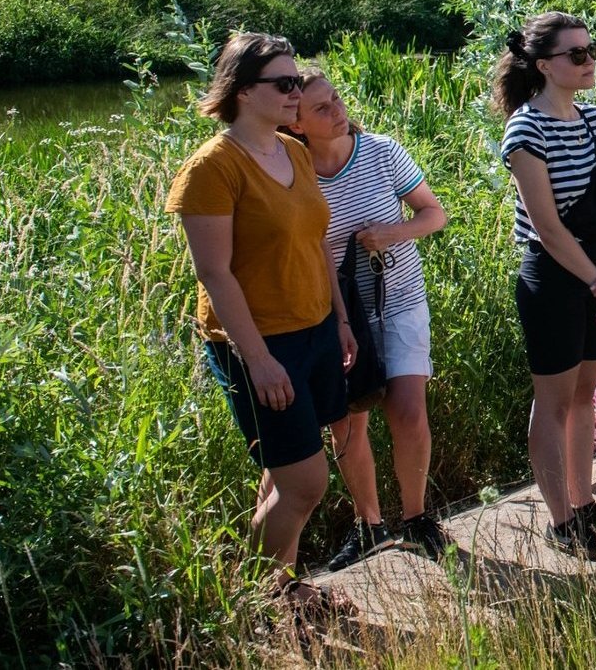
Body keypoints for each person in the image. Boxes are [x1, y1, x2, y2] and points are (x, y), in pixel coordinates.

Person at [165, 32, 359, 618]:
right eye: (285, 83)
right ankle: (256, 598)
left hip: (316, 328)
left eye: (298, 81)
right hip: (258, 343)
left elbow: (317, 241)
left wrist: (340, 318)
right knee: (306, 483)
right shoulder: (212, 169)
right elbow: (215, 274)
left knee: (283, 474)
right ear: (243, 91)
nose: (297, 92)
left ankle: (282, 588)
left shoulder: (292, 151)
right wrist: (259, 359)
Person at [286, 68, 451, 570]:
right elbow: (312, 255)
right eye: (321, 108)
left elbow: (433, 213)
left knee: (407, 411)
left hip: (399, 298)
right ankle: (370, 525)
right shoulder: (293, 172)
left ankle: (417, 518)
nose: (338, 111)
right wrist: (338, 321)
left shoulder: (379, 150)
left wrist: (391, 233)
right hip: (337, 313)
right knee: (349, 422)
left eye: (335, 99)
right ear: (296, 126)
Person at [496, 12, 596, 559]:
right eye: (576, 54)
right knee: (552, 403)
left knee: (586, 394)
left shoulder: (593, 121)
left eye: (592, 50)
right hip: (557, 280)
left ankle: (585, 505)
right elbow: (548, 228)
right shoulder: (525, 130)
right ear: (543, 65)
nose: (589, 61)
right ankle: (561, 521)